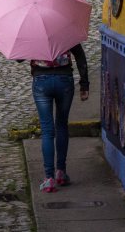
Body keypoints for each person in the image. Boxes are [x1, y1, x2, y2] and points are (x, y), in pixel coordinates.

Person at [30, 44, 89, 193]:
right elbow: (80, 55)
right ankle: (61, 171)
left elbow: (18, 58)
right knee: (62, 126)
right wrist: (84, 84)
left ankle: (49, 178)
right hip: (64, 80)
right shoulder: (65, 27)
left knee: (47, 131)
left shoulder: (33, 30)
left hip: (41, 80)